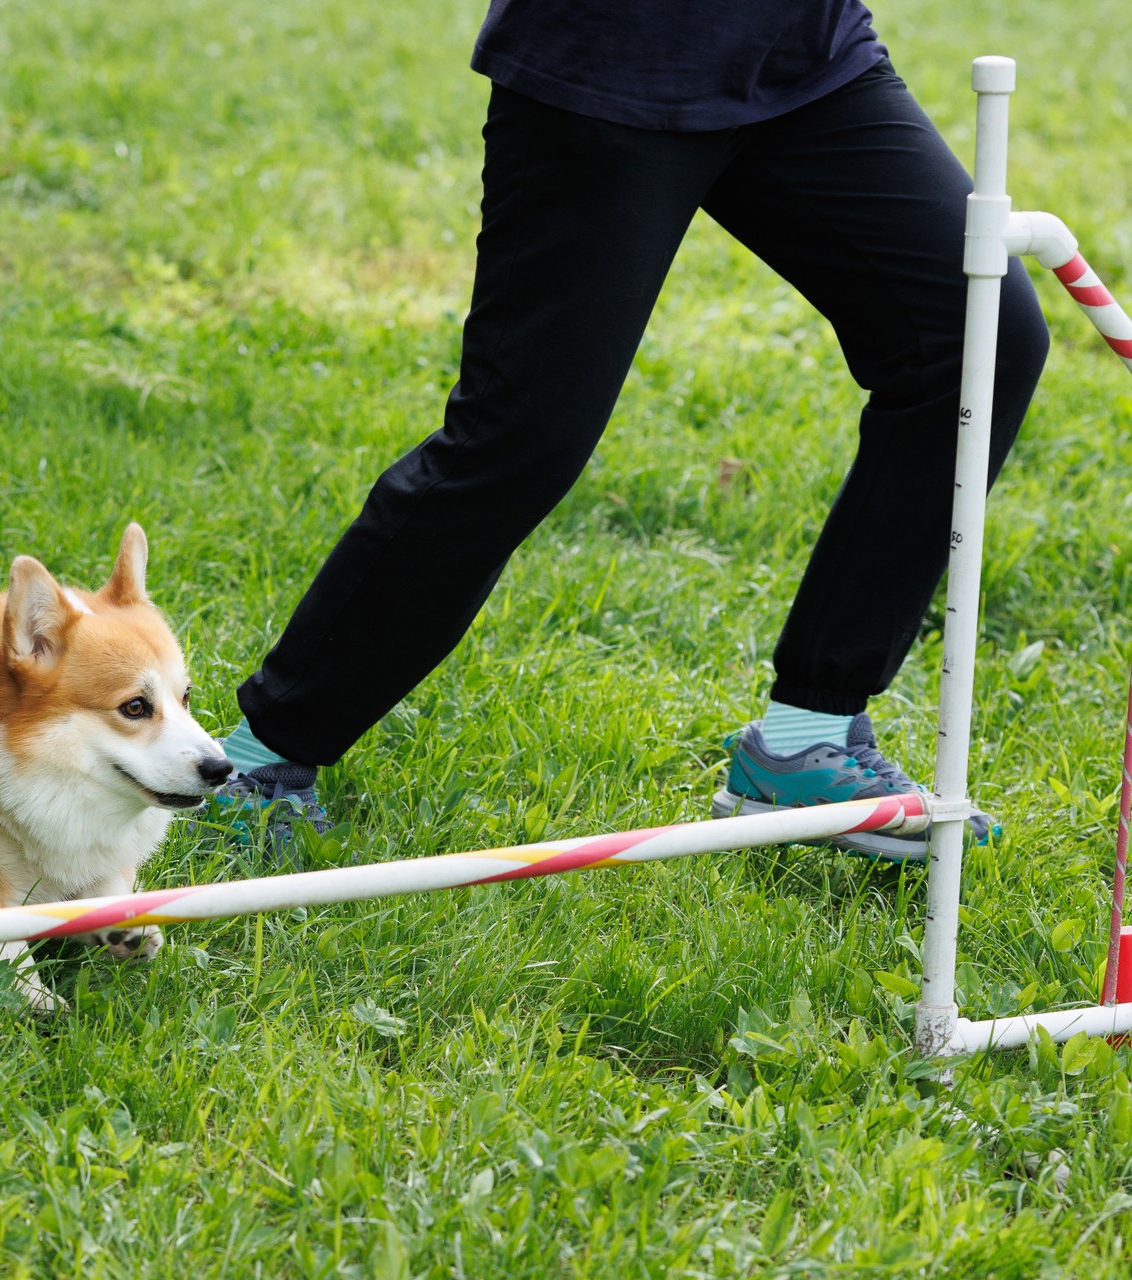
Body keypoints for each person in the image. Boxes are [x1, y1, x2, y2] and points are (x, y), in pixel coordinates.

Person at [212, 0, 1049, 861]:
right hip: (609, 72)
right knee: (521, 438)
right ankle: (260, 760)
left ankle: (805, 738)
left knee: (975, 344)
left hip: (803, 58)